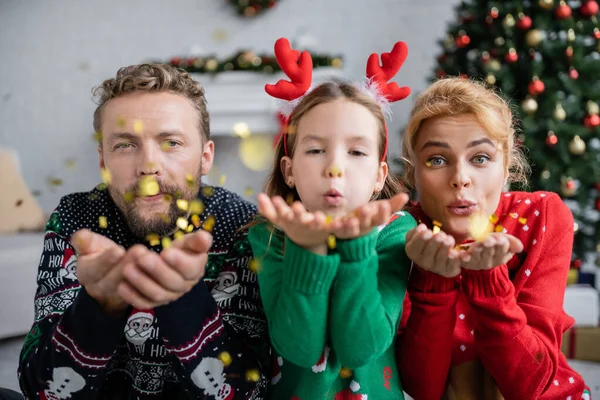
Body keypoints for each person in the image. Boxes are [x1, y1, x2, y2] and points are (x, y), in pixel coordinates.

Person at [18, 63, 269, 399]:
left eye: (172, 143)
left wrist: (184, 301)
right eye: (125, 145)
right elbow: (39, 390)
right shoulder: (75, 219)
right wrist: (97, 307)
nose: (148, 165)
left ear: (205, 157)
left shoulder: (240, 226)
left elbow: (254, 391)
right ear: (103, 161)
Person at [396, 76, 591, 399]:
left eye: (480, 158)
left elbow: (531, 385)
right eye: (437, 160)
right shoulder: (402, 232)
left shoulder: (542, 216)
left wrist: (489, 283)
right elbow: (422, 389)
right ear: (413, 171)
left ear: (507, 166)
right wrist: (434, 281)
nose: (460, 178)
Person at [247, 37, 416, 399]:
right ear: (289, 171)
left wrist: (357, 249)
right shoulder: (271, 234)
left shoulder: (395, 232)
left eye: (356, 151)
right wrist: (307, 250)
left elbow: (360, 349)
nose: (335, 167)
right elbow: (299, 349)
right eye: (315, 149)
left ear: (379, 176)